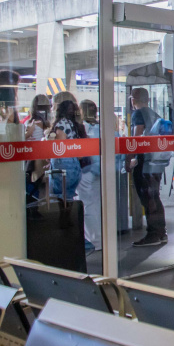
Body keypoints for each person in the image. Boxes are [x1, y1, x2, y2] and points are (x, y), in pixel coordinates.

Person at [126, 87, 168, 247]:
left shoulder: (138, 114)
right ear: (148, 99)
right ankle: (161, 232)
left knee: (147, 197)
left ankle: (153, 234)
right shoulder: (154, 114)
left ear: (133, 100)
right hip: (157, 161)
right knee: (155, 196)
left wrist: (128, 158)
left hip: (145, 162)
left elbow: (136, 138)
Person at [45, 100, 84, 203]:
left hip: (63, 165)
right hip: (75, 164)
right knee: (68, 198)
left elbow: (60, 148)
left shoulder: (62, 123)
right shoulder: (74, 124)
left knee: (58, 199)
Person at [78, 100, 102, 253]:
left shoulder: (83, 128)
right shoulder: (101, 127)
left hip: (87, 171)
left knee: (87, 206)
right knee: (97, 204)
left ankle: (95, 240)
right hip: (100, 170)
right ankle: (100, 238)